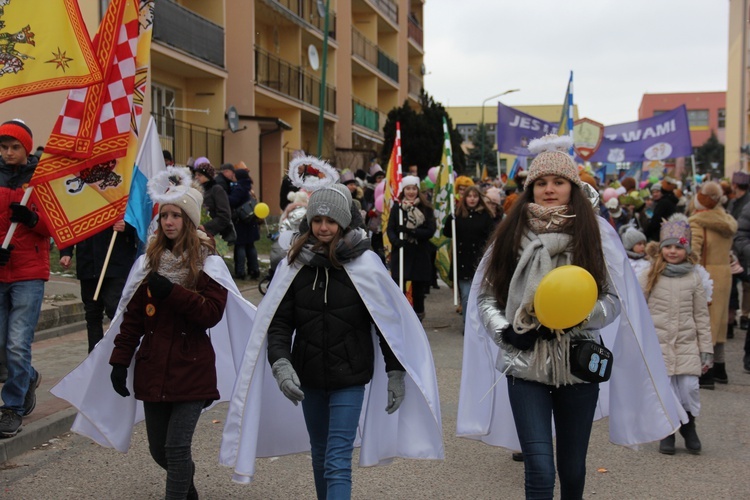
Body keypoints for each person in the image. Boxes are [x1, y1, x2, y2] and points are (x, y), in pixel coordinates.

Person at [457, 134, 685, 500]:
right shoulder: (510, 236)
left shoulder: (595, 235)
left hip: (579, 366)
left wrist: (574, 317)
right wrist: (506, 332)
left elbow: (613, 301)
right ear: (530, 189)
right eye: (541, 183)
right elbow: (485, 298)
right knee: (539, 468)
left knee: (573, 469)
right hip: (524, 364)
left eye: (558, 182)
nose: (550, 190)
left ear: (572, 188)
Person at [220, 182, 443, 495]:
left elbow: (386, 324)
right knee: (321, 453)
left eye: (330, 221)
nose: (323, 227)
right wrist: (280, 362)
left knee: (337, 459)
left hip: (350, 377)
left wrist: (395, 372)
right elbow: (279, 323)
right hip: (308, 375)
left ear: (343, 222)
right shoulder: (293, 265)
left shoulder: (365, 266)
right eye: (317, 220)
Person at [108, 174, 228, 499]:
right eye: (164, 215)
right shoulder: (149, 263)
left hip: (192, 369)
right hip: (153, 369)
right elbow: (132, 319)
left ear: (188, 220)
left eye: (176, 215)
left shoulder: (209, 263)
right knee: (159, 451)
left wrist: (173, 293)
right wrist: (119, 361)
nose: (169, 221)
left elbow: (211, 314)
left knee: (176, 448)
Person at [640, 214, 713, 455]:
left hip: (686, 344)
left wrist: (706, 350)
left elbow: (701, 315)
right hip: (659, 345)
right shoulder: (650, 275)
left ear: (686, 249)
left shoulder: (694, 277)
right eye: (668, 246)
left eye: (678, 247)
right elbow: (638, 307)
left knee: (689, 388)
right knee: (666, 390)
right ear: (661, 248)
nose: (673, 251)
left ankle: (689, 426)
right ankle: (668, 431)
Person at [0, 119, 48, 438]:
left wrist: (31, 218)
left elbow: (54, 227)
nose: (8, 153)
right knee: (2, 346)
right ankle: (27, 377)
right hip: (1, 269)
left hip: (29, 271)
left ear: (26, 148)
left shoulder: (41, 179)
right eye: (3, 147)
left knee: (17, 343)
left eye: (15, 147)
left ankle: (12, 407)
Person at [59, 220, 138, 352]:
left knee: (116, 310)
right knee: (92, 313)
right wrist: (66, 251)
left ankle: (122, 352)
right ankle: (94, 356)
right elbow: (71, 222)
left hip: (116, 264)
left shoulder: (126, 199)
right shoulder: (81, 200)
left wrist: (128, 227)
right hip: (88, 263)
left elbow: (141, 219)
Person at [688, 182, 737, 387]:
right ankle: (720, 368)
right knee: (719, 323)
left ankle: (705, 372)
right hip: (724, 274)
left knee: (703, 323)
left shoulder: (697, 222)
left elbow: (694, 251)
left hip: (705, 275)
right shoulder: (727, 221)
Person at [442, 185, 495, 330]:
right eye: (469, 196)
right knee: (465, 295)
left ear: (479, 198)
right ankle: (468, 325)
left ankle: (480, 325)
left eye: (475, 196)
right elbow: (447, 233)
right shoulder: (458, 215)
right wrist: (450, 220)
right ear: (465, 198)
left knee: (479, 295)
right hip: (462, 260)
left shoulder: (486, 216)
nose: (472, 199)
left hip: (479, 261)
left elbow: (491, 235)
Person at [386, 175, 436, 321]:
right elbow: (391, 229)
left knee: (418, 291)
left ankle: (417, 317)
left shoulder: (426, 209)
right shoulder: (397, 208)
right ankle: (399, 317)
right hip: (402, 253)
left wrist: (411, 231)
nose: (411, 192)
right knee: (398, 288)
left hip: (419, 253)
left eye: (414, 188)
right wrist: (396, 241)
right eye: (408, 188)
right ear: (404, 190)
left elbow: (430, 230)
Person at [192, 160, 235, 244]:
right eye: (196, 175)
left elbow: (224, 215)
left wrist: (206, 227)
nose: (196, 177)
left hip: (214, 235)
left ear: (208, 176)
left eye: (200, 175)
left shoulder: (216, 190)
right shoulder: (195, 191)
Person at [229, 168, 260, 280]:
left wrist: (225, 196)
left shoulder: (239, 188)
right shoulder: (248, 187)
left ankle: (240, 271)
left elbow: (232, 201)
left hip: (241, 221)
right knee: (250, 246)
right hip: (250, 220)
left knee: (240, 246)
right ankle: (254, 269)